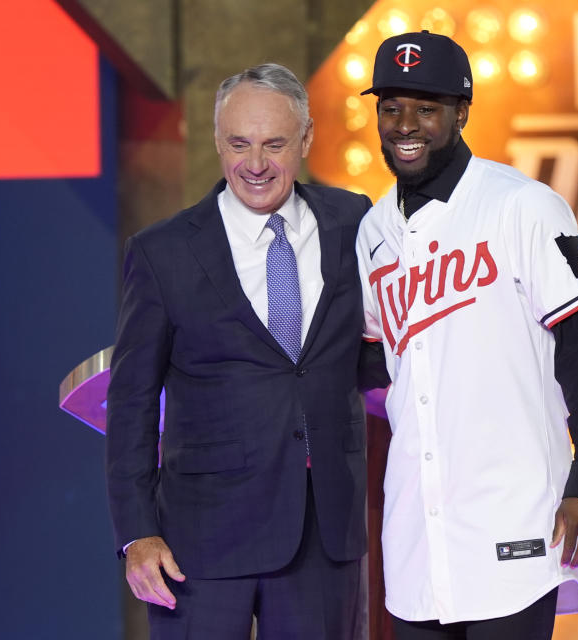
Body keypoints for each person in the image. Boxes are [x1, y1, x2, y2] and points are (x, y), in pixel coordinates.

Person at [356, 31, 578, 640]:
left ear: (461, 112)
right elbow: (380, 372)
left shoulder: (523, 207)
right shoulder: (372, 230)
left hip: (517, 517)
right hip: (416, 538)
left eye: (426, 108)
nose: (406, 125)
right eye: (391, 107)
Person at [106, 63, 380, 640]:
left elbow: (380, 357)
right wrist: (137, 533)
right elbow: (130, 402)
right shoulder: (163, 253)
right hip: (198, 541)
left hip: (323, 534)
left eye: (274, 144)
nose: (255, 165)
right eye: (239, 144)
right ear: (217, 140)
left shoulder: (356, 223)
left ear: (305, 139)